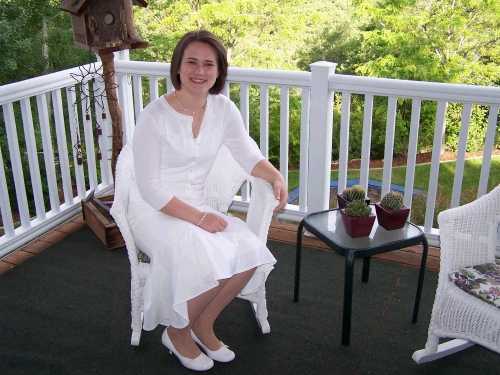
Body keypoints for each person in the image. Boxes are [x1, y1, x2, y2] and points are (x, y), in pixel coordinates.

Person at [128, 30, 288, 371]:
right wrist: (200, 219)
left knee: (247, 250)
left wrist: (275, 176)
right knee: (202, 253)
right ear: (178, 67)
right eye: (191, 62)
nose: (199, 71)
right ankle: (177, 331)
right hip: (154, 212)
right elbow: (150, 189)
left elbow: (248, 154)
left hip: (197, 205)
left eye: (208, 64)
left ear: (218, 72)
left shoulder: (223, 109)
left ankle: (203, 321)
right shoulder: (154, 116)